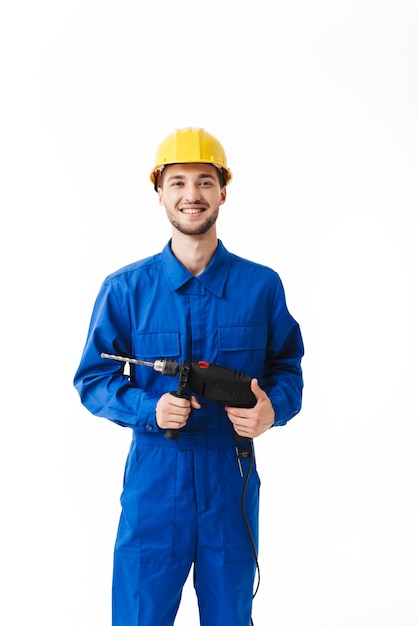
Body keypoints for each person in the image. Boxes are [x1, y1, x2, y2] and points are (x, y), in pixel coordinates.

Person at [74, 127, 304, 626]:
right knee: (139, 615)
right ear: (160, 193)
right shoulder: (126, 290)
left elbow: (287, 369)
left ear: (223, 191)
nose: (191, 195)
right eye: (177, 182)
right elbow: (93, 378)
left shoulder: (261, 287)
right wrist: (147, 409)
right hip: (156, 479)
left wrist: (272, 409)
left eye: (204, 181)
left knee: (229, 616)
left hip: (230, 476)